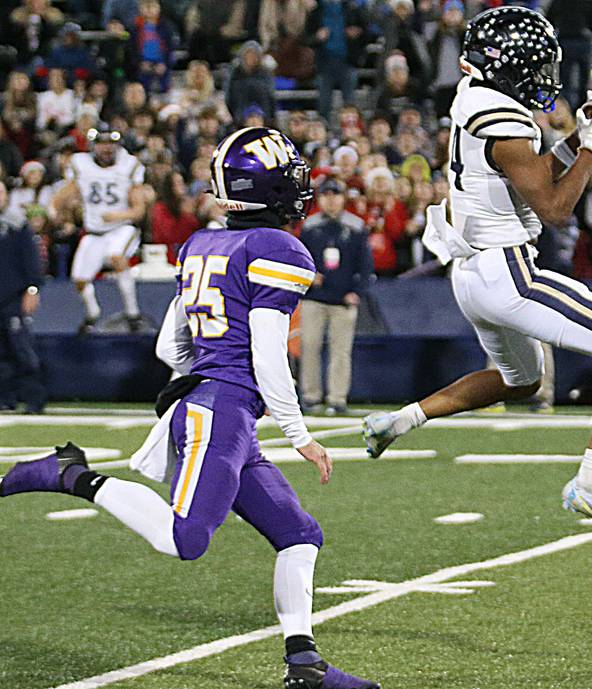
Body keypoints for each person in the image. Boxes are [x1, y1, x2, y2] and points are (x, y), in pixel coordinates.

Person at [0, 126, 380, 689]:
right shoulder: (277, 248)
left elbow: (168, 344)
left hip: (221, 408)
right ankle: (69, 475)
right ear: (269, 186)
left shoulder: (205, 241)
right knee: (185, 539)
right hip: (221, 410)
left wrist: (204, 380)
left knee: (300, 535)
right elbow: (268, 352)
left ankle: (305, 665)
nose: (300, 184)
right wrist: (299, 433)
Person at [363, 7, 592, 539]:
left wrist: (591, 137)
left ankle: (399, 420)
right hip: (507, 273)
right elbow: (556, 207)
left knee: (522, 380)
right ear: (508, 65)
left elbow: (532, 172)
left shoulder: (476, 100)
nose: (544, 76)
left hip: (471, 275)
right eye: (536, 65)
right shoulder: (501, 116)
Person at [50, 124, 148, 333]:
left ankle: (133, 314)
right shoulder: (80, 164)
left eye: (110, 144)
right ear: (93, 146)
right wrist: (57, 209)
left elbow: (139, 210)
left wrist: (118, 215)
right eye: (102, 144)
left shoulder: (129, 165)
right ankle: (92, 314)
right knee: (80, 278)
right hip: (94, 231)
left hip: (122, 227)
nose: (106, 149)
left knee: (116, 256)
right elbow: (68, 192)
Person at [299, 178, 373, 414]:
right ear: (319, 199)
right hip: (315, 298)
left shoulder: (355, 227)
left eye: (335, 195)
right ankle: (311, 396)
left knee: (340, 350)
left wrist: (357, 292)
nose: (331, 200)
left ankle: (337, 398)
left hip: (343, 299)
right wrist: (308, 277)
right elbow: (300, 259)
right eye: (326, 195)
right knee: (309, 346)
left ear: (343, 198)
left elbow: (365, 265)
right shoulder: (310, 227)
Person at [0, 181, 46, 413]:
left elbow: (31, 260)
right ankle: (4, 398)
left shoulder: (17, 225)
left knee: (22, 349)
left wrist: (32, 289)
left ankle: (33, 398)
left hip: (13, 297)